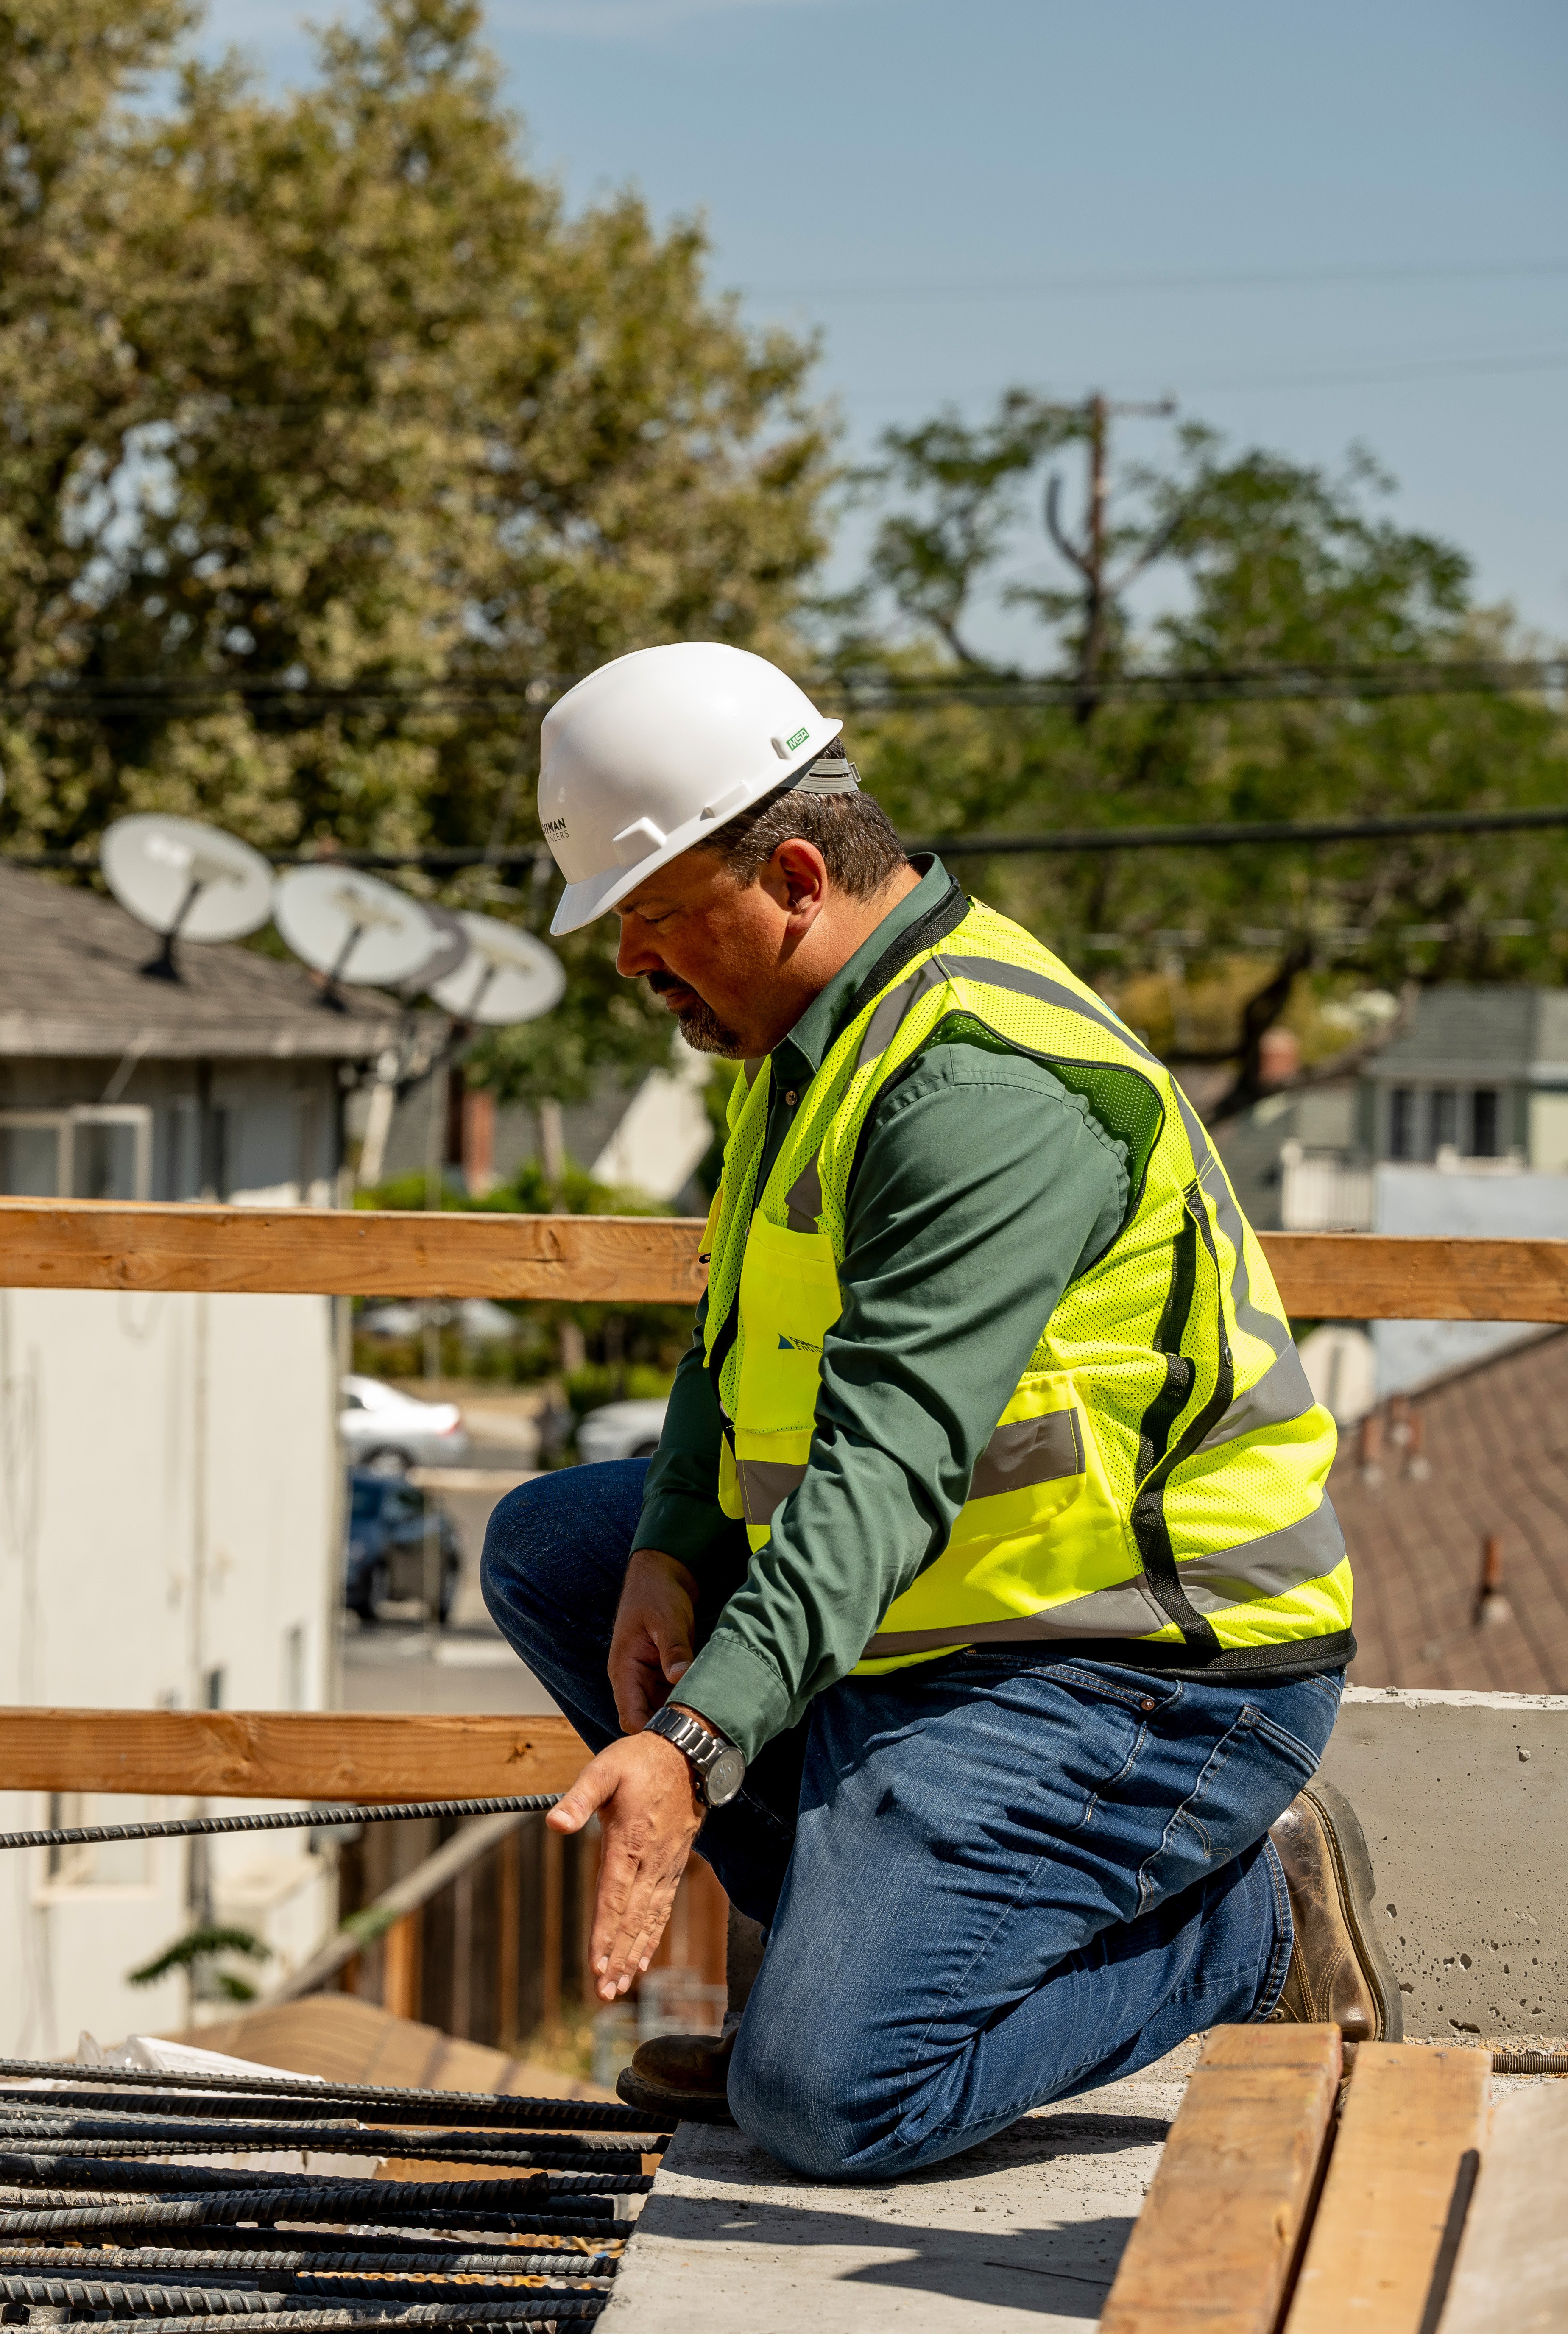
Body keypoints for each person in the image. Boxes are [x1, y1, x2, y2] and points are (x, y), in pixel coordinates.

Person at [484, 642, 1388, 2179]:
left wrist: (696, 1744)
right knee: (557, 1551)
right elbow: (737, 1332)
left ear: (786, 876)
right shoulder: (813, 1036)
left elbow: (885, 1470)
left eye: (650, 918)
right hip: (963, 1626)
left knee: (827, 2105)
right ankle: (880, 1965)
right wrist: (673, 1542)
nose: (632, 964)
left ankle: (1252, 1928)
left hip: (1145, 1667)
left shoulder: (977, 1086)